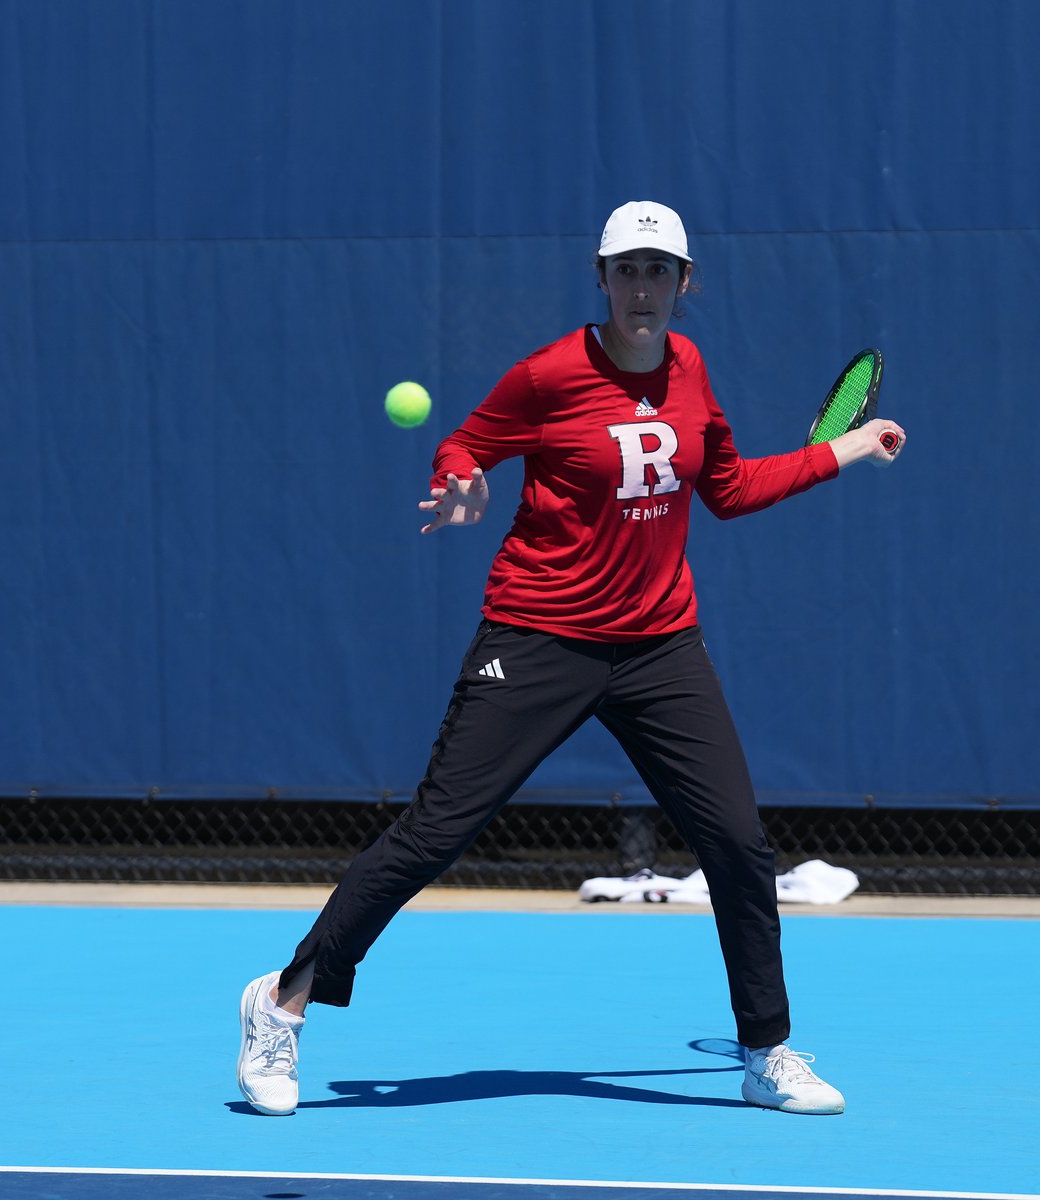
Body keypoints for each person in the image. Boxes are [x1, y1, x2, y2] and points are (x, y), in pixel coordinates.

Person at [237, 200, 905, 1118]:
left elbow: (731, 489)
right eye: (626, 270)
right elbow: (467, 444)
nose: (642, 288)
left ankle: (767, 1053)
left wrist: (844, 450)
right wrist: (459, 486)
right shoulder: (548, 374)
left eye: (658, 271)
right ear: (601, 278)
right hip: (538, 634)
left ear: (684, 282)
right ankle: (281, 1003)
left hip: (659, 645)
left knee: (738, 847)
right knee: (435, 831)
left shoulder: (691, 368)